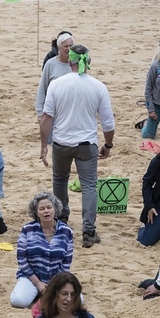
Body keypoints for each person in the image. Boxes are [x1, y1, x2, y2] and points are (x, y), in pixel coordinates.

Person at [40, 44, 115, 248]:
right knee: (89, 185)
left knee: (60, 180)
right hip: (86, 144)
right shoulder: (98, 86)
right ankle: (89, 231)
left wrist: (43, 146)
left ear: (69, 60)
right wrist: (108, 144)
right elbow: (108, 123)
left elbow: (46, 117)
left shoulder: (58, 84)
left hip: (62, 142)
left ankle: (61, 221)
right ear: (87, 61)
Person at [10, 192, 73, 308]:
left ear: (55, 209)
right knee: (18, 301)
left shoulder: (66, 232)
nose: (46, 211)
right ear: (36, 213)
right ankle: (36, 294)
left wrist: (54, 284)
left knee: (77, 300)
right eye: (42, 209)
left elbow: (66, 263)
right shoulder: (27, 230)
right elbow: (21, 259)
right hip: (31, 277)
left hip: (57, 279)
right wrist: (37, 283)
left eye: (49, 207)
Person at [35, 32, 74, 123]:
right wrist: (40, 112)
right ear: (59, 47)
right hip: (53, 111)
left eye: (71, 46)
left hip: (71, 111)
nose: (69, 49)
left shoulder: (77, 63)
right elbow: (42, 88)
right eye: (66, 46)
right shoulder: (50, 64)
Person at [138, 153, 160, 246]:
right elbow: (147, 183)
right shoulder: (157, 161)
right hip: (158, 204)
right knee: (146, 240)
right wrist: (149, 206)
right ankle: (143, 226)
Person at [142, 48, 160, 139]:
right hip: (156, 105)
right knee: (148, 136)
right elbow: (148, 89)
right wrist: (151, 109)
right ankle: (145, 123)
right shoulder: (155, 66)